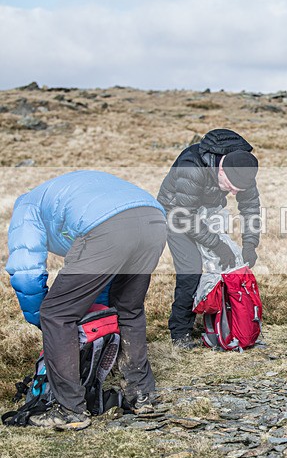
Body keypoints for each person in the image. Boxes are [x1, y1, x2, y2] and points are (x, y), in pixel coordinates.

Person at [5, 171, 167, 430]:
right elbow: (99, 281)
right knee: (128, 309)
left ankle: (69, 409)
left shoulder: (26, 207)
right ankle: (141, 395)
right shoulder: (67, 196)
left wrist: (46, 324)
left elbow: (26, 271)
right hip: (154, 219)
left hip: (109, 225)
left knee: (55, 314)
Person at [157, 128, 261, 348]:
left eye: (237, 190)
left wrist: (250, 244)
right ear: (221, 171)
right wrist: (217, 244)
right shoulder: (192, 168)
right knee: (191, 269)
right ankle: (180, 333)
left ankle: (220, 323)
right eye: (231, 188)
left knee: (227, 265)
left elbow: (250, 207)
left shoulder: (242, 168)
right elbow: (184, 216)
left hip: (209, 208)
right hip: (176, 212)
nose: (233, 194)